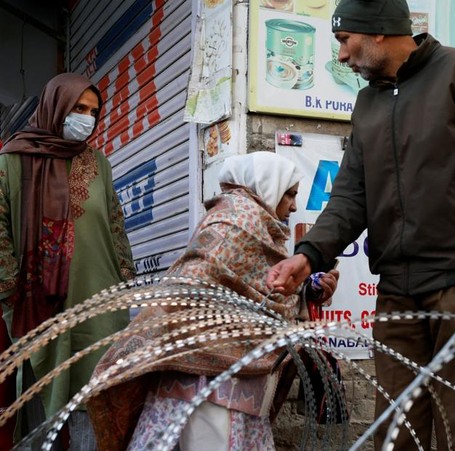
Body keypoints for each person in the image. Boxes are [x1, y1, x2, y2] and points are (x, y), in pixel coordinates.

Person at [267, 1, 455, 449]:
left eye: (344, 40)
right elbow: (350, 195)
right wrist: (309, 254)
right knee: (394, 429)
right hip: (397, 288)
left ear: (378, 32)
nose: (341, 55)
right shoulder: (368, 102)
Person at [87, 151, 339, 451]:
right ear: (268, 187)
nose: (294, 205)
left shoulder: (256, 225)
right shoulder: (236, 222)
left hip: (229, 383)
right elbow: (205, 287)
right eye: (290, 195)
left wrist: (307, 289)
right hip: (206, 384)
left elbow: (258, 290)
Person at [0, 73, 135, 449]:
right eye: (79, 108)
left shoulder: (99, 163)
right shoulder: (13, 160)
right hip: (39, 305)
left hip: (99, 300)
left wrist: (126, 284)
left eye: (93, 111)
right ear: (55, 106)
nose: (87, 119)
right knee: (47, 399)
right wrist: (11, 290)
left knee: (95, 396)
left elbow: (115, 225)